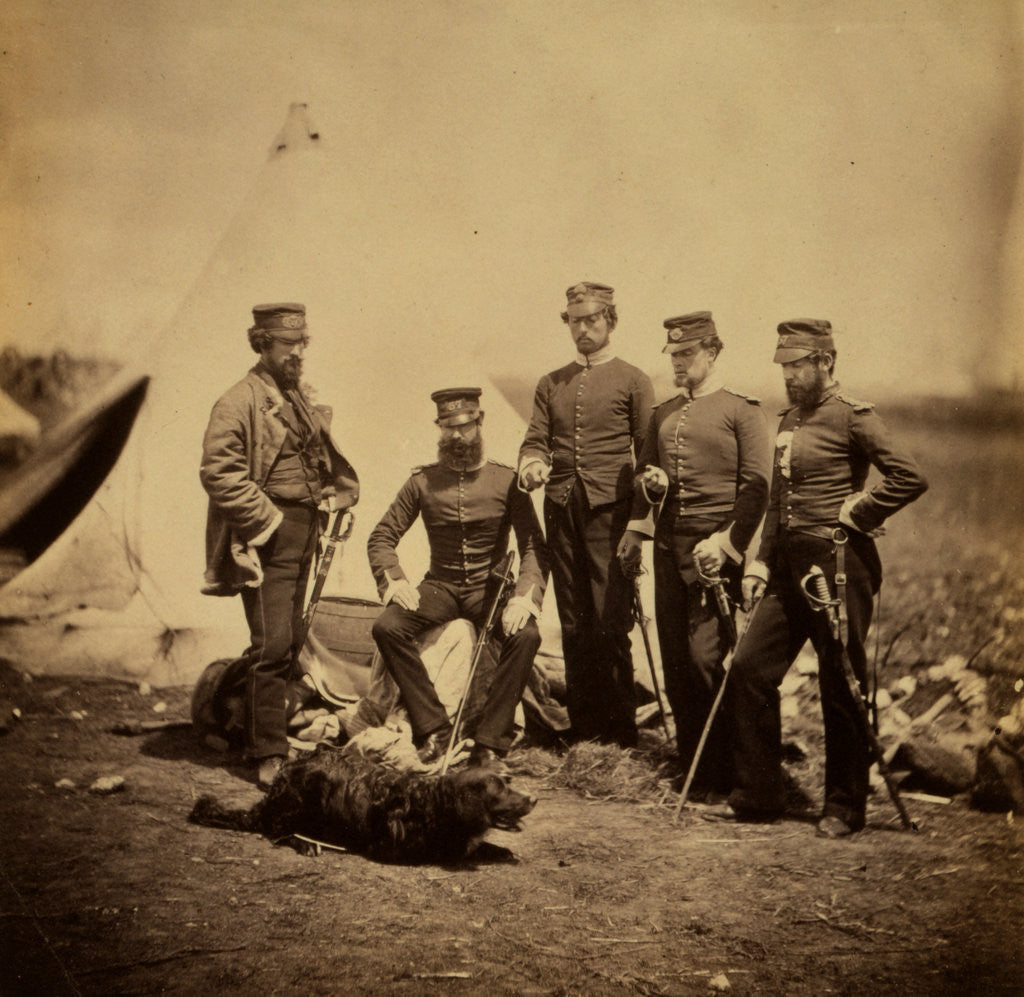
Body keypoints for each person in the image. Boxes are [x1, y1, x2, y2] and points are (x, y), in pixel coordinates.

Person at [707, 319, 928, 837]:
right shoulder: (788, 421)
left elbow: (910, 476)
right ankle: (758, 794)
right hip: (786, 567)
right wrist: (761, 560)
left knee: (840, 683)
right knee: (749, 668)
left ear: (826, 361)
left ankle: (845, 807)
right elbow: (779, 500)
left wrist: (862, 511)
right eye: (784, 365)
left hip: (839, 565)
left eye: (798, 365)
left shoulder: (854, 418)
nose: (788, 375)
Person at [199, 303, 358, 788]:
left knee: (290, 638)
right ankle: (267, 752)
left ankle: (259, 731)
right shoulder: (237, 400)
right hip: (267, 535)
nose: (297, 353)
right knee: (271, 644)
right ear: (261, 343)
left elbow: (315, 457)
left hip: (306, 528)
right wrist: (265, 521)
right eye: (288, 344)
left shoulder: (295, 397)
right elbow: (218, 472)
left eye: (302, 343)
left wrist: (330, 493)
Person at [617, 311, 770, 799]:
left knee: (707, 660)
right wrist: (651, 489)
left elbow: (756, 490)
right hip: (668, 548)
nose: (679, 363)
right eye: (674, 355)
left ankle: (724, 768)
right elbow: (643, 474)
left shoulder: (742, 411)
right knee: (676, 661)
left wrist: (727, 545)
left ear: (713, 352)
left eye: (688, 354)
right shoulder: (663, 413)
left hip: (714, 551)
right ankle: (693, 767)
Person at [368, 388, 548, 768]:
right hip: (440, 586)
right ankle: (431, 728)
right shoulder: (422, 481)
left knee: (527, 635)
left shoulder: (506, 480)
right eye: (448, 428)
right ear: (439, 429)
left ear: (479, 423)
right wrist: (395, 582)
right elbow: (382, 536)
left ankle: (489, 743)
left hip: (491, 588)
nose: (456, 437)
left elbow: (533, 544)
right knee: (387, 627)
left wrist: (522, 596)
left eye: (464, 427)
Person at [518, 282, 654, 748]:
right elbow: (535, 438)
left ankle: (620, 733)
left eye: (592, 320)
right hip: (561, 508)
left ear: (610, 321)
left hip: (610, 514)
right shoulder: (550, 382)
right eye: (575, 321)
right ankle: (584, 730)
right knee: (574, 619)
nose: (583, 329)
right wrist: (533, 462)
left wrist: (638, 522)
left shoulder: (633, 379)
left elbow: (648, 453)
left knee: (610, 618)